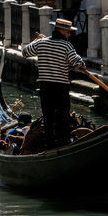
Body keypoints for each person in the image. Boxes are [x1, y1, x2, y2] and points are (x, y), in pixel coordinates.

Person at [22, 18, 86, 149]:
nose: (69, 35)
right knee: (63, 117)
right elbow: (77, 63)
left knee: (48, 117)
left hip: (45, 87)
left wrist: (37, 40)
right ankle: (63, 144)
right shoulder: (66, 46)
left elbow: (25, 52)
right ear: (62, 31)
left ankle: (50, 147)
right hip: (60, 87)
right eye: (68, 32)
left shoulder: (41, 43)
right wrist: (82, 63)